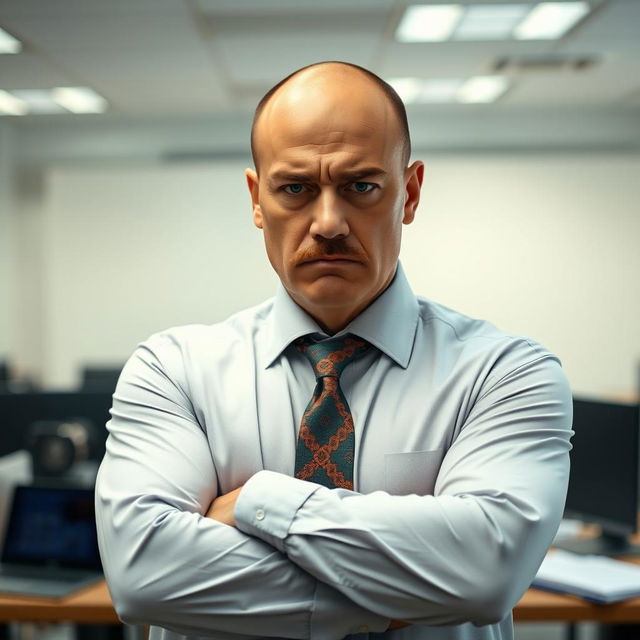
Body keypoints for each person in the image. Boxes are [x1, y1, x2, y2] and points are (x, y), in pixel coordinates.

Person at [95, 61, 572, 640]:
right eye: (295, 188)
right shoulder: (173, 371)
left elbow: (484, 576)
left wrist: (256, 503)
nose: (328, 223)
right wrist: (401, 594)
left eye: (361, 187)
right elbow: (145, 578)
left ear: (410, 193)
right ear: (256, 199)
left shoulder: (505, 374)